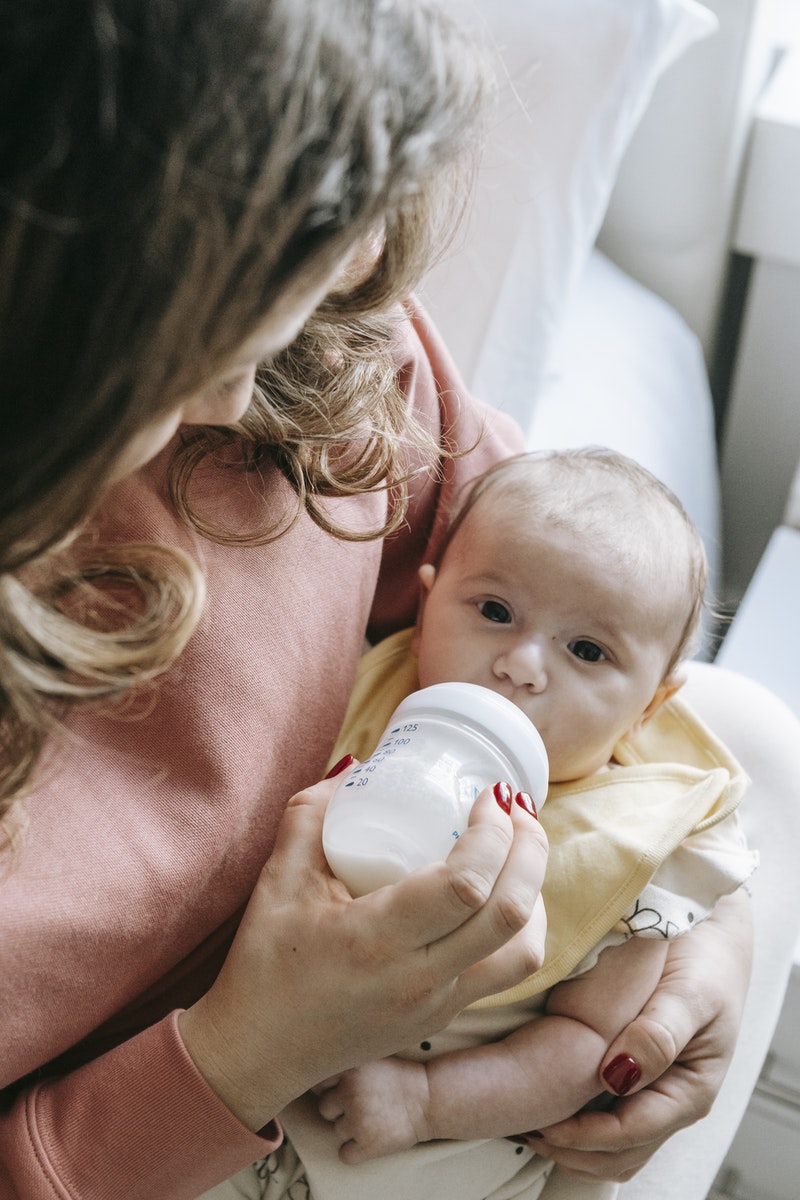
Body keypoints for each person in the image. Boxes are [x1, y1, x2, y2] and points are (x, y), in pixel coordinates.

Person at [0, 2, 759, 1198]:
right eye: (217, 304)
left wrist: (679, 931)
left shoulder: (325, 349)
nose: (342, 305)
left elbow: (577, 598)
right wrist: (238, 1058)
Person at [271, 449, 755, 1200]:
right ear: (426, 604)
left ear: (650, 707)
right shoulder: (355, 693)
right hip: (258, 1098)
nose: (523, 664)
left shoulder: (628, 845)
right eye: (494, 612)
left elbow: (588, 1045)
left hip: (433, 1152)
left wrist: (426, 1101)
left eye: (587, 651)